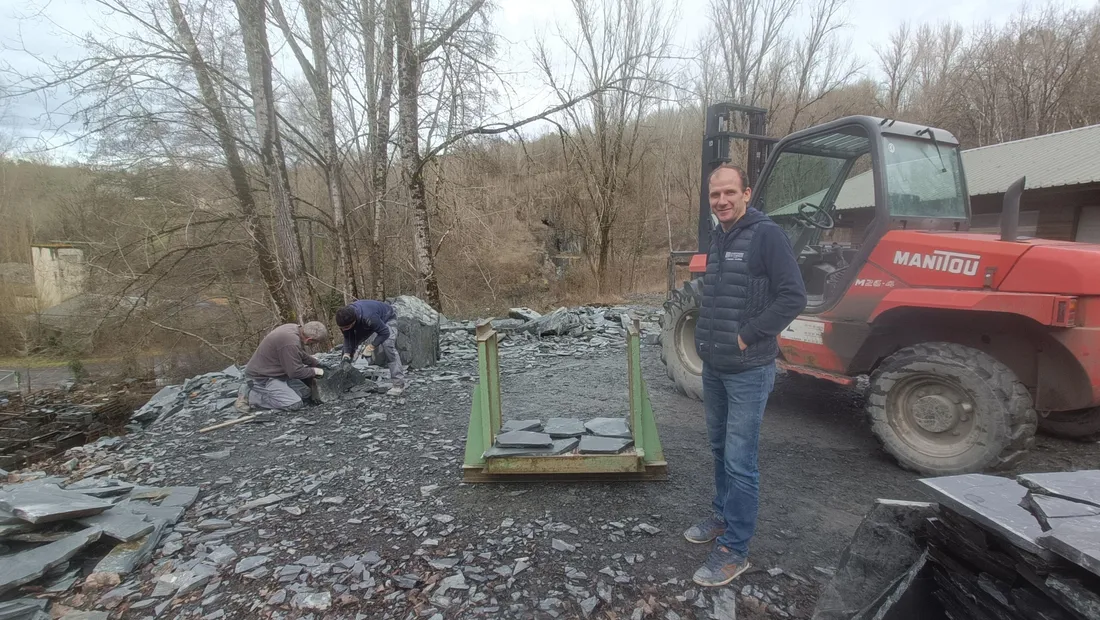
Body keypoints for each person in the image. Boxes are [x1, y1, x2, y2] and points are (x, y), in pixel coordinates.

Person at [684, 164, 807, 587]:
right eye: (715, 194)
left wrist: (747, 336)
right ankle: (722, 516)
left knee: (741, 461)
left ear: (747, 193)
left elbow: (793, 295)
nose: (721, 201)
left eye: (729, 192)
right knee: (720, 449)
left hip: (748, 369)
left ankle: (735, 550)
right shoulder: (719, 236)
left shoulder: (766, 235)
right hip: (716, 367)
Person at [235, 321, 329, 413]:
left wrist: (314, 363)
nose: (314, 345)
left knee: (306, 394)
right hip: (262, 377)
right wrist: (315, 371)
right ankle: (251, 396)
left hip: (276, 373)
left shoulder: (294, 328)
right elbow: (295, 372)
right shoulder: (291, 342)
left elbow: (298, 353)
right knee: (294, 404)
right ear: (309, 340)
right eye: (314, 342)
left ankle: (266, 391)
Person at [335, 299, 406, 396]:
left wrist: (371, 347)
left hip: (387, 318)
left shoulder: (369, 317)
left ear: (353, 321)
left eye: (346, 327)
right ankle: (344, 381)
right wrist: (347, 354)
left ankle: (398, 384)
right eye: (341, 328)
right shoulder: (344, 319)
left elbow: (385, 333)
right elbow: (348, 338)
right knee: (347, 352)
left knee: (388, 346)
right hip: (364, 323)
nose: (343, 330)